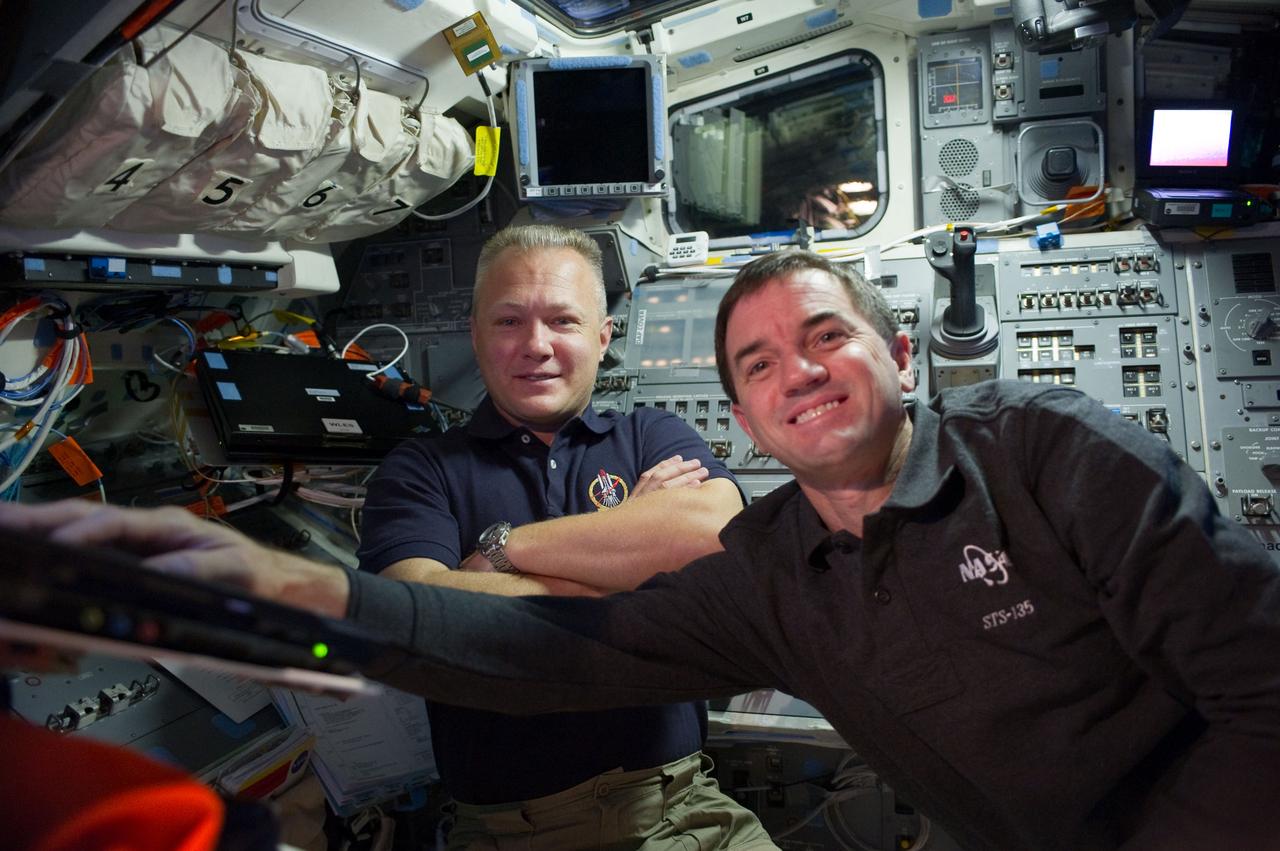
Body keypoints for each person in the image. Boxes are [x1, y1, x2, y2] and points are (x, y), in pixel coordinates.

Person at [6, 249, 1280, 851]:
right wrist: (279, 599)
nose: (801, 373)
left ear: (896, 353)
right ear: (742, 418)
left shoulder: (1046, 454)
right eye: (760, 362)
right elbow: (497, 645)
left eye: (827, 336)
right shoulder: (777, 580)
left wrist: (494, 550)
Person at [342, 223, 770, 850]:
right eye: (509, 321)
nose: (535, 345)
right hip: (512, 833)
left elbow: (711, 533)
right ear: (476, 335)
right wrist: (630, 569)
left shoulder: (651, 435)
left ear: (602, 338)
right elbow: (415, 619)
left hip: (684, 807)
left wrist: (498, 551)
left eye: (563, 322)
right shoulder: (421, 468)